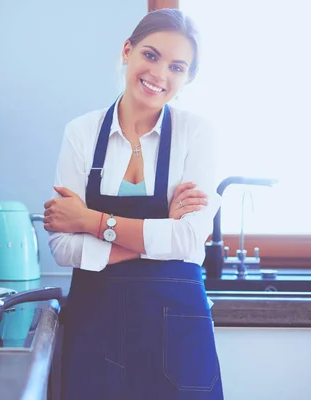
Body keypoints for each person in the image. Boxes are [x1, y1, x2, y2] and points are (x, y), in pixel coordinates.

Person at [44, 8, 224, 400]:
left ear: (188, 76)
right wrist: (160, 234)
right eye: (151, 55)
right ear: (128, 51)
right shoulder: (81, 132)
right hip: (95, 325)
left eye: (177, 66)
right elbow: (62, 247)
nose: (160, 75)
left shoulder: (197, 134)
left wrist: (90, 220)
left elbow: (190, 241)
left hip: (177, 333)